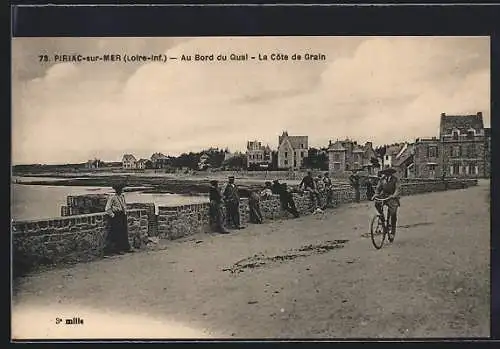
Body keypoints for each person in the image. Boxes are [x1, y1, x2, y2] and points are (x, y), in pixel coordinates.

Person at [372, 168, 401, 242]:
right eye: (385, 173)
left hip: (392, 197)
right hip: (384, 195)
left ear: (391, 173)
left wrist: (394, 195)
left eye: (388, 173)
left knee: (393, 213)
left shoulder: (395, 180)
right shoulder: (382, 179)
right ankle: (382, 217)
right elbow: (378, 188)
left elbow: (398, 189)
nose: (386, 174)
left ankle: (392, 232)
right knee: (377, 203)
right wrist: (376, 194)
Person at [104, 182, 133, 255]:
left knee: (124, 232)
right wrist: (113, 215)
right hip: (116, 216)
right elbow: (107, 208)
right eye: (119, 189)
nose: (120, 191)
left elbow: (124, 205)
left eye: (121, 189)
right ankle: (117, 249)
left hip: (122, 215)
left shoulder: (122, 196)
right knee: (117, 233)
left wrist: (125, 213)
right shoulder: (112, 197)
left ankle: (126, 247)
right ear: (116, 190)